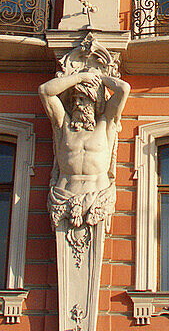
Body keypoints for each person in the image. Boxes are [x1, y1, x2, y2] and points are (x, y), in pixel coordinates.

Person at [39, 67, 130, 230]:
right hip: (63, 196)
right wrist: (80, 78)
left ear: (94, 101)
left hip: (98, 197)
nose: (77, 104)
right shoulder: (63, 125)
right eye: (75, 99)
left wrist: (99, 77)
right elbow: (45, 91)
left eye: (82, 99)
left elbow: (124, 89)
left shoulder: (105, 123)